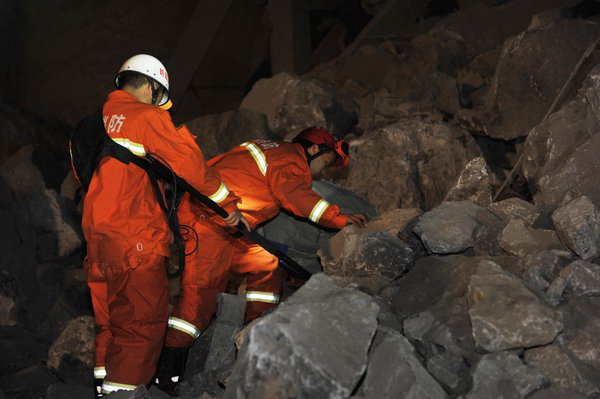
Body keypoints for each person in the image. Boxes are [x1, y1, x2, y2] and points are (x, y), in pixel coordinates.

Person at [154, 127, 369, 392]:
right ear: (314, 149)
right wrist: (340, 219)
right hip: (208, 223)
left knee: (265, 264)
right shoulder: (291, 158)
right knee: (199, 298)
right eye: (327, 162)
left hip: (230, 225)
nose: (324, 172)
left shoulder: (272, 149)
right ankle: (168, 373)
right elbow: (297, 197)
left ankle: (254, 329)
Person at [81, 54, 246, 397]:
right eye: (160, 96)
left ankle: (103, 386)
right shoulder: (144, 116)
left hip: (97, 240)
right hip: (134, 238)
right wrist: (227, 206)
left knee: (110, 323)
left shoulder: (91, 124)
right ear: (152, 87)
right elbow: (190, 164)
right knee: (141, 328)